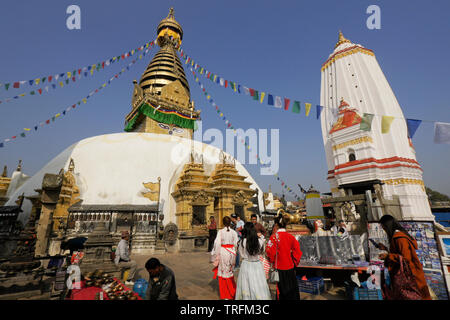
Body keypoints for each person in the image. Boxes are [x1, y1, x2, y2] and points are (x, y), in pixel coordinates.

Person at [377, 214, 431, 300]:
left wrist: (388, 256)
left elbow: (406, 258)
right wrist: (386, 249)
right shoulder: (399, 237)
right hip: (410, 275)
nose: (384, 231)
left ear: (388, 227)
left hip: (410, 276)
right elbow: (400, 253)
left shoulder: (400, 238)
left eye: (384, 228)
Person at [266, 214, 302, 300]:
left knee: (281, 290)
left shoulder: (274, 237)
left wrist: (272, 261)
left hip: (279, 267)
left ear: (276, 225)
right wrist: (294, 262)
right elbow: (297, 252)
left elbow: (269, 252)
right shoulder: (291, 237)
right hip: (290, 267)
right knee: (292, 289)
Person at [235, 222, 271, 300]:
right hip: (257, 265)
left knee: (246, 284)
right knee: (258, 284)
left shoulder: (242, 242)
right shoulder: (259, 241)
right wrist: (259, 235)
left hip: (246, 264)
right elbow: (263, 243)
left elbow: (241, 253)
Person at [211, 216, 238, 300]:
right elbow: (236, 244)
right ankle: (232, 292)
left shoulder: (221, 232)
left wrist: (215, 255)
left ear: (223, 223)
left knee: (223, 273)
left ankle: (225, 294)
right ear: (230, 223)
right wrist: (234, 252)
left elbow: (217, 244)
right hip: (231, 252)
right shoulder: (233, 232)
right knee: (229, 272)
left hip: (223, 252)